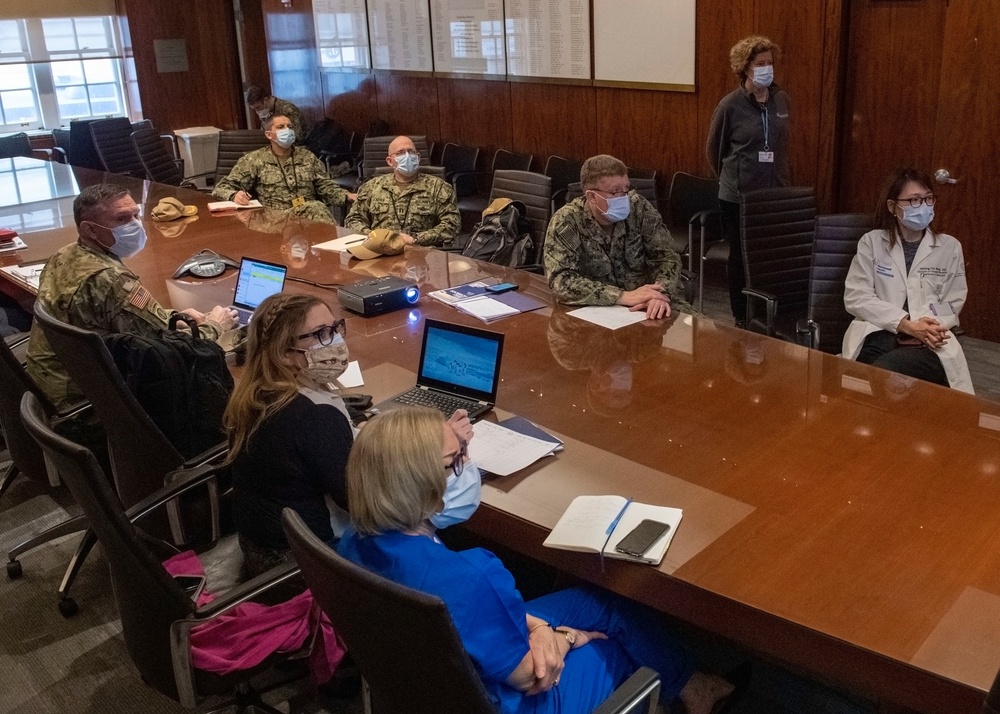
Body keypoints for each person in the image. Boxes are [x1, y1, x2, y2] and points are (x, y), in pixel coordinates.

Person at [338, 407, 738, 714]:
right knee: (618, 645)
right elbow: (533, 677)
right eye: (453, 462)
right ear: (420, 482)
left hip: (424, 679)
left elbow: (472, 614)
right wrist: (565, 637)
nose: (463, 466)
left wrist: (543, 627)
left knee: (600, 603)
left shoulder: (353, 541)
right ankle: (688, 689)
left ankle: (694, 686)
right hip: (510, 700)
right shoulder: (472, 574)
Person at [225, 295, 474, 577]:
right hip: (310, 566)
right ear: (284, 353)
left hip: (263, 550)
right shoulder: (314, 416)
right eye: (319, 334)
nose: (334, 341)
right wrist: (439, 446)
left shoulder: (256, 394)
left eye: (334, 328)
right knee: (434, 523)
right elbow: (366, 503)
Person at [26, 184, 238, 411]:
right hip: (86, 405)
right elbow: (170, 351)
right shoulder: (112, 279)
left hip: (50, 382)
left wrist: (173, 317)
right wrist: (216, 326)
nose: (135, 224)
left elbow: (116, 317)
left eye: (136, 214)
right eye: (122, 219)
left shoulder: (64, 254)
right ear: (90, 230)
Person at [841, 168, 973, 393]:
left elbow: (953, 300)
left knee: (882, 372)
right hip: (879, 331)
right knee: (870, 376)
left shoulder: (950, 247)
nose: (923, 206)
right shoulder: (871, 243)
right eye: (913, 200)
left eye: (928, 199)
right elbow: (856, 297)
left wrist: (924, 326)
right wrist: (906, 324)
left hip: (928, 341)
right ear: (893, 207)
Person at [706, 35, 790, 326]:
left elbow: (781, 146)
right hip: (737, 196)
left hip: (772, 193)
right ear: (745, 68)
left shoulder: (781, 100)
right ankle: (741, 315)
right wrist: (732, 179)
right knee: (740, 257)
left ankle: (766, 313)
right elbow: (713, 150)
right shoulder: (730, 105)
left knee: (767, 254)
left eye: (770, 63)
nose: (767, 68)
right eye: (760, 64)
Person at [543, 154, 688, 320]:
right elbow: (561, 281)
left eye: (626, 190)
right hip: (594, 311)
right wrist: (622, 296)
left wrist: (659, 292)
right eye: (614, 192)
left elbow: (666, 258)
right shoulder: (567, 222)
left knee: (703, 333)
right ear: (591, 196)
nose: (623, 197)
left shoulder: (639, 209)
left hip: (649, 304)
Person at [213, 115, 352, 225]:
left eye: (289, 126)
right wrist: (234, 195)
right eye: (281, 127)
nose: (287, 130)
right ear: (269, 135)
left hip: (308, 215)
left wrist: (346, 195)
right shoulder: (254, 160)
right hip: (274, 219)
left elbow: (325, 186)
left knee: (316, 207)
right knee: (316, 207)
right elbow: (221, 187)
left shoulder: (307, 157)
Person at [344, 135, 460, 247]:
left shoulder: (439, 187)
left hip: (423, 253)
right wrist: (373, 237)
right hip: (380, 251)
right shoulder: (371, 187)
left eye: (411, 151)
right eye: (400, 153)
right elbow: (353, 220)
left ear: (418, 157)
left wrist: (417, 239)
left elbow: (452, 224)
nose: (407, 156)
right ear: (390, 161)